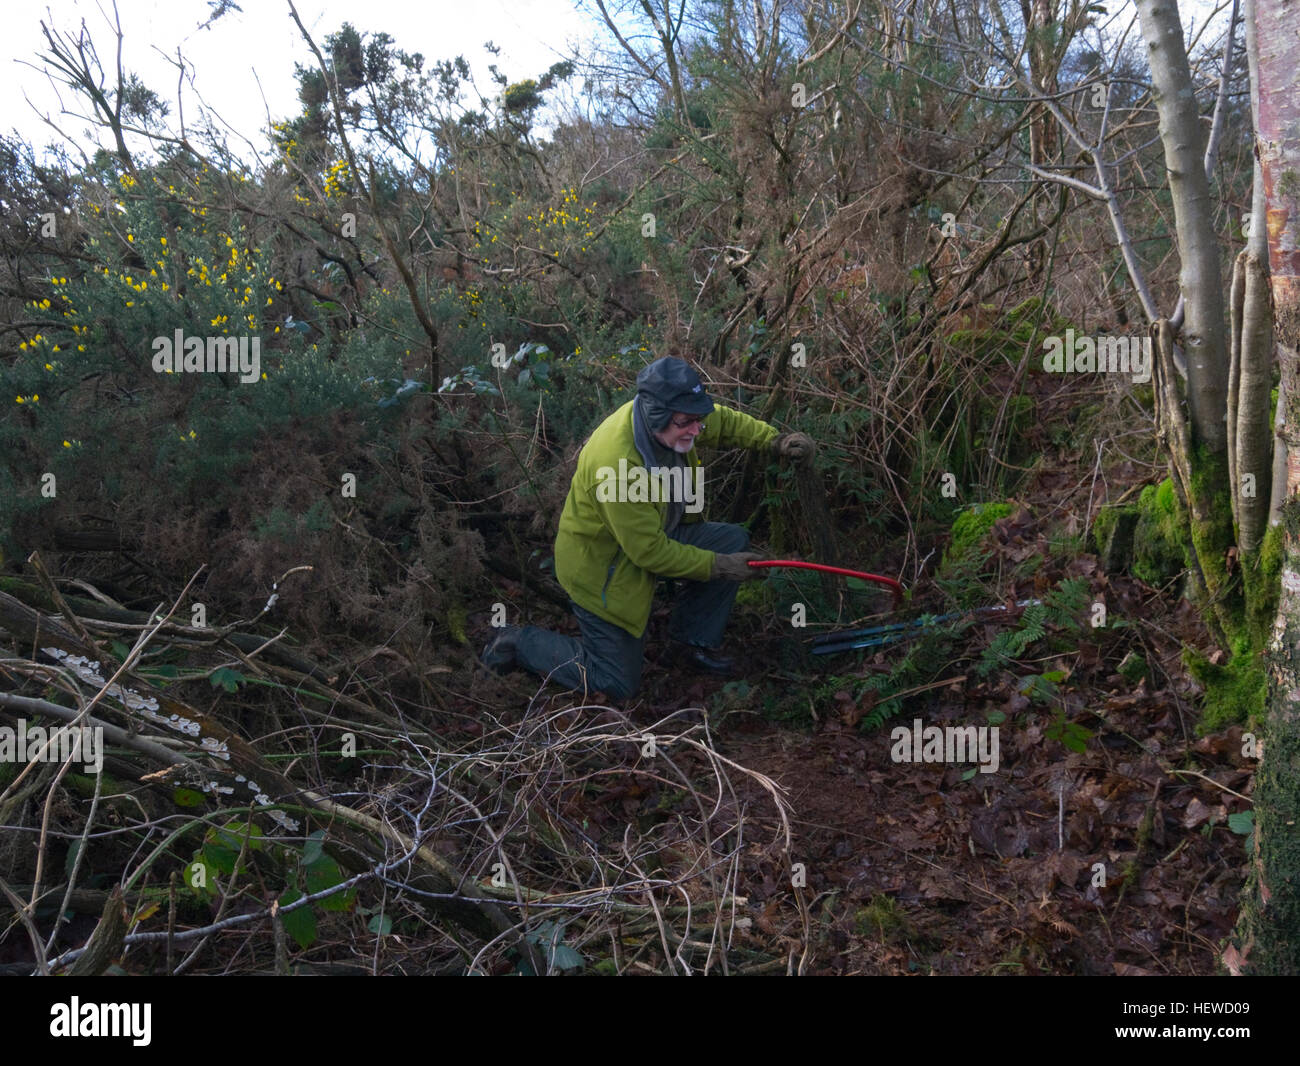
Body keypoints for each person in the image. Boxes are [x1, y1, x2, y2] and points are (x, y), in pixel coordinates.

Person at [481, 355, 814, 700]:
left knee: (730, 541)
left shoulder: (678, 417)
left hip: (656, 535)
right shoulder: (617, 466)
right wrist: (720, 568)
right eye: (688, 422)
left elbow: (724, 422)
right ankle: (517, 641)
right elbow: (649, 553)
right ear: (657, 415)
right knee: (614, 682)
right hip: (605, 569)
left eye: (698, 419)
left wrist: (775, 441)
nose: (697, 429)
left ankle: (690, 643)